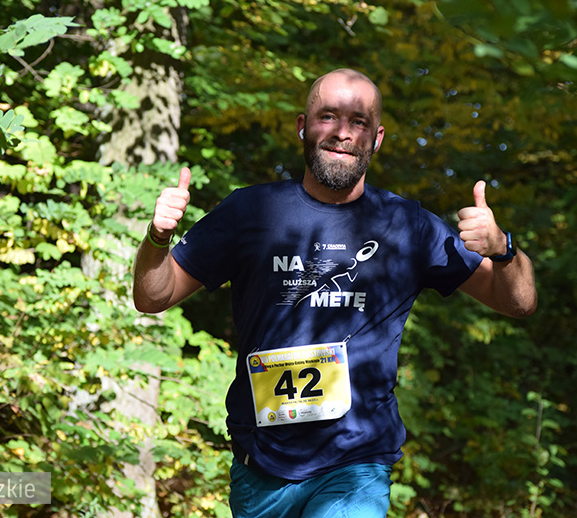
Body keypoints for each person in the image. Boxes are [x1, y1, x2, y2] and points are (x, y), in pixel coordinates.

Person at [133, 68, 537, 518]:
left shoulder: (407, 225)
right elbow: (153, 297)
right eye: (328, 116)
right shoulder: (250, 211)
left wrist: (503, 250)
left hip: (356, 463)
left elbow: (519, 302)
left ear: (376, 138)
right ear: (303, 126)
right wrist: (157, 239)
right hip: (260, 464)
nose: (343, 132)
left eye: (359, 122)